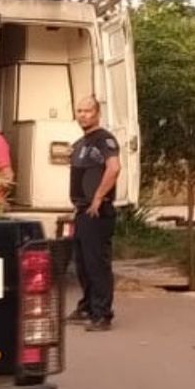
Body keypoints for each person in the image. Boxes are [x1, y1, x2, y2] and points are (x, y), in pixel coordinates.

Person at [67, 95, 121, 332]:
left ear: (97, 113)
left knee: (97, 264)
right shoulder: (80, 143)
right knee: (82, 263)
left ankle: (102, 314)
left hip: (97, 211)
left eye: (88, 111)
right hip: (82, 211)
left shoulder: (104, 139)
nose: (83, 115)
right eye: (79, 111)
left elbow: (114, 167)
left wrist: (99, 196)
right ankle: (87, 306)